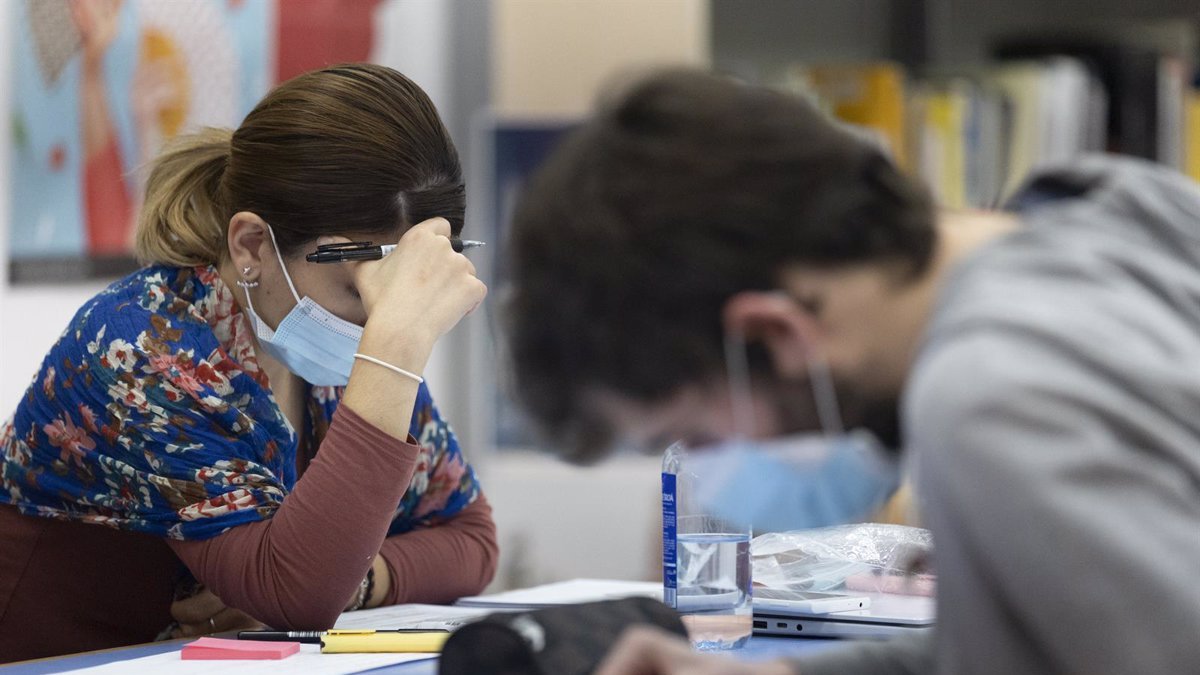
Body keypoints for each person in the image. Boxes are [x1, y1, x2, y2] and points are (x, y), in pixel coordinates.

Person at [504, 69, 1200, 673]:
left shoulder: (990, 395)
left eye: (697, 434)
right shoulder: (1105, 208)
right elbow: (1048, 644)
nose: (708, 467)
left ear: (774, 331)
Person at [0, 63, 497, 662]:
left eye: (401, 291)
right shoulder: (142, 345)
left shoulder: (354, 354)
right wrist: (395, 347)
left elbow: (471, 538)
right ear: (252, 247)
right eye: (358, 287)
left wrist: (362, 578)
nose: (379, 315)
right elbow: (298, 591)